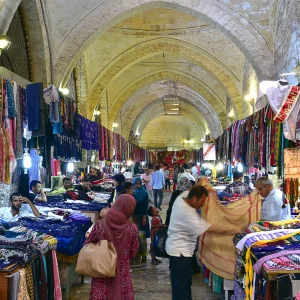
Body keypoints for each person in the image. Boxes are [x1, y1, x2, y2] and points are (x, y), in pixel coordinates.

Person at [86, 195, 139, 299]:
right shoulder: (132, 229)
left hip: (101, 272)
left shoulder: (100, 225)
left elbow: (88, 245)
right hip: (122, 276)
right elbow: (133, 253)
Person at [166, 185, 209, 300]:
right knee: (183, 288)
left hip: (177, 252)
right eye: (202, 201)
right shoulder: (186, 212)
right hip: (181, 254)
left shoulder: (182, 197)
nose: (203, 204)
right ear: (194, 198)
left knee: (179, 287)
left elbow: (190, 191)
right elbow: (209, 228)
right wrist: (231, 228)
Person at [132, 177, 150, 266]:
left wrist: (144, 218)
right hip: (133, 217)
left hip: (142, 216)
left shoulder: (145, 193)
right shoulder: (132, 193)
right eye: (136, 183)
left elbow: (145, 207)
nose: (138, 185)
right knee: (134, 236)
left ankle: (144, 256)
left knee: (142, 236)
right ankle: (136, 255)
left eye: (139, 183)